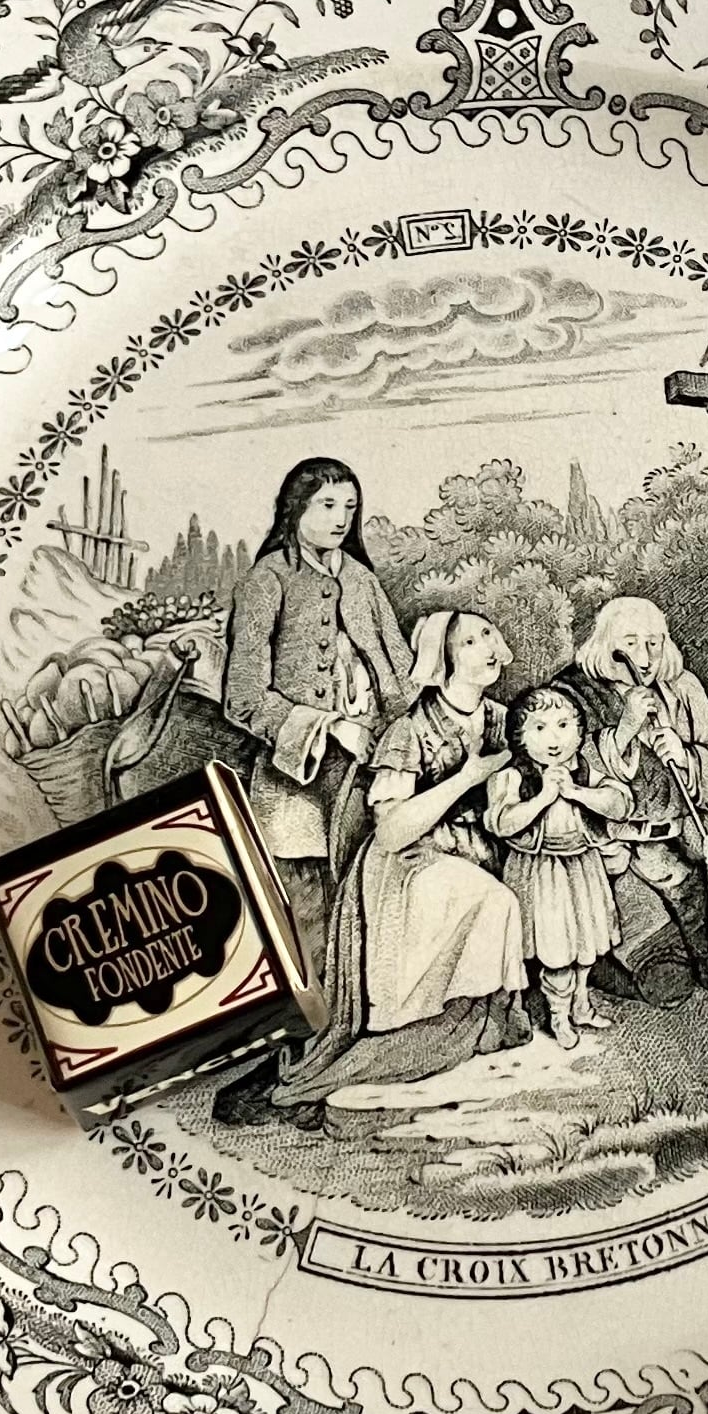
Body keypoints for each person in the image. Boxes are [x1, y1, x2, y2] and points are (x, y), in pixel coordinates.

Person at [242, 608, 534, 1123]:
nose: (489, 646)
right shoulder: (410, 730)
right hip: (407, 865)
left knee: (510, 896)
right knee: (493, 901)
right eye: (470, 641)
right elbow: (393, 832)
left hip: (476, 851)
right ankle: (420, 1038)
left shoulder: (500, 719)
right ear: (443, 659)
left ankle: (476, 1024)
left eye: (489, 633)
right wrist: (467, 779)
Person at [217, 458, 403, 986]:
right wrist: (330, 726)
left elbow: (399, 671)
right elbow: (243, 698)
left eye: (350, 507)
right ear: (295, 509)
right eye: (327, 505)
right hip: (294, 775)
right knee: (304, 911)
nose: (341, 518)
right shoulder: (266, 580)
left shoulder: (363, 581)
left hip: (366, 770)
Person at [562, 595, 708, 996]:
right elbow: (567, 772)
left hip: (673, 842)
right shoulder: (578, 697)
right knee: (654, 966)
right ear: (607, 644)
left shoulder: (682, 687)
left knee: (703, 925)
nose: (644, 658)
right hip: (608, 851)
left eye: (653, 643)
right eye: (630, 643)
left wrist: (687, 756)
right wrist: (625, 730)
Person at [483, 681, 635, 1044]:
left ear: (579, 733)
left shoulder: (580, 772)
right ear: (520, 736)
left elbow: (621, 803)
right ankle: (558, 1017)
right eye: (539, 728)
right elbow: (501, 822)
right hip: (541, 874)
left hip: (582, 868)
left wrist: (577, 792)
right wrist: (544, 797)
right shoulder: (513, 776)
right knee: (558, 951)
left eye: (564, 725)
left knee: (586, 946)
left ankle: (581, 1004)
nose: (554, 739)